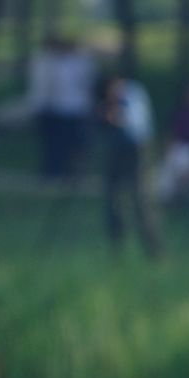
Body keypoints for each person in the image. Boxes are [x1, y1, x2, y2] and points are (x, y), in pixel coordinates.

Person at [96, 73, 162, 258]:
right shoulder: (109, 101)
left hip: (137, 152)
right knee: (114, 202)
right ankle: (117, 249)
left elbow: (139, 126)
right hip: (116, 153)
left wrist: (117, 118)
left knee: (142, 201)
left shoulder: (133, 94)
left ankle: (154, 251)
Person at [29, 36, 96, 179]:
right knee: (57, 143)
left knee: (73, 144)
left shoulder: (77, 63)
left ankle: (70, 172)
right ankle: (57, 171)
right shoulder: (52, 62)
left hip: (73, 108)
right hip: (60, 108)